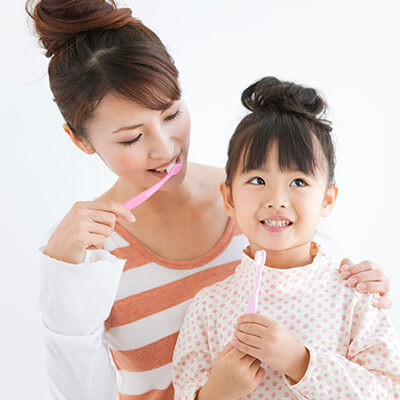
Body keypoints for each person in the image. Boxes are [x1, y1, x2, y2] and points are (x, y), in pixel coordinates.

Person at [26, 1, 393, 399]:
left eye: (171, 115)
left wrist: (360, 284)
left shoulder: (261, 198)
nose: (165, 149)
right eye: (132, 137)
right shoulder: (88, 253)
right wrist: (63, 277)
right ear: (79, 139)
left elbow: (332, 314)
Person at [172, 77, 400, 399]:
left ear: (328, 200)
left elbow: (389, 392)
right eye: (257, 179)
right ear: (229, 199)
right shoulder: (209, 306)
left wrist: (300, 361)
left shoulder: (356, 298)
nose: (277, 198)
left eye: (298, 182)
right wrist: (216, 392)